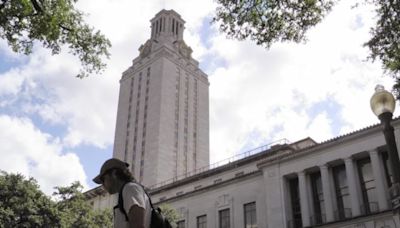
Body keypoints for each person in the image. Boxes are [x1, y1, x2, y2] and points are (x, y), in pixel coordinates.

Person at [93, 158, 151, 228]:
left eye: (103, 179)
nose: (103, 185)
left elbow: (137, 225)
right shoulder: (127, 191)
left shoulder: (130, 188)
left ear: (114, 173)